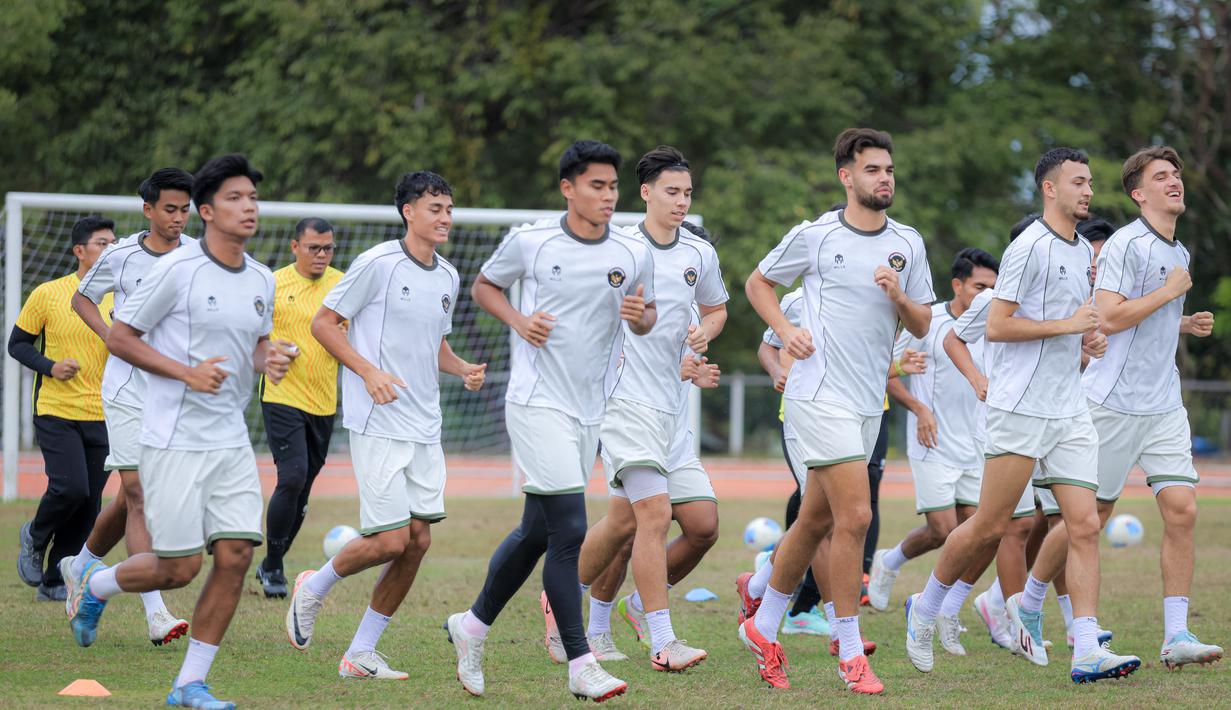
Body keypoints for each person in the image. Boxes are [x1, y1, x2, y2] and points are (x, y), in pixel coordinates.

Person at [903, 148, 1141, 684]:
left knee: (1083, 524)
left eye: (1090, 182)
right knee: (989, 526)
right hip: (1020, 408)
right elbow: (999, 327)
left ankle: (1085, 649)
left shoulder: (1083, 251)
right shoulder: (1028, 247)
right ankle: (926, 605)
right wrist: (1065, 326)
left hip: (1070, 410)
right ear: (1049, 189)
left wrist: (1087, 337)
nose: (1088, 191)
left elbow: (1069, 323)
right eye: (1079, 182)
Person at [65, 154, 293, 710]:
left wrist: (270, 358)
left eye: (254, 199)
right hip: (170, 437)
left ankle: (189, 684)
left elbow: (255, 346)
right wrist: (186, 372)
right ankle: (94, 585)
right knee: (178, 568)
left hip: (231, 440)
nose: (249, 208)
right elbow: (121, 337)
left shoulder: (262, 277)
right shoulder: (176, 270)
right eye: (236, 198)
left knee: (237, 553)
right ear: (208, 211)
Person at [444, 140, 654, 702]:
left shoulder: (633, 253)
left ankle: (472, 626)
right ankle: (581, 661)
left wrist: (640, 317)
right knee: (570, 530)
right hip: (537, 403)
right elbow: (485, 285)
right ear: (568, 188)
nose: (608, 196)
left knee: (537, 530)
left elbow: (646, 315)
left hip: (591, 410)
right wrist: (518, 319)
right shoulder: (532, 240)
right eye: (596, 185)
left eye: (613, 186)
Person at [741, 127, 934, 695]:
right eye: (873, 170)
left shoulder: (909, 242)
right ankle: (850, 653)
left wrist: (900, 296)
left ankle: (764, 622)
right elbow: (757, 283)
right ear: (847, 177)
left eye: (889, 170)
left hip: (867, 403)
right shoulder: (817, 235)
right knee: (856, 518)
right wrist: (785, 332)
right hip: (815, 396)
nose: (884, 179)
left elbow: (922, 325)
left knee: (816, 519)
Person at [284, 172, 485, 681]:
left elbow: (435, 344)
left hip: (425, 424)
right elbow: (324, 324)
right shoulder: (377, 263)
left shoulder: (447, 275)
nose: (444, 217)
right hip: (379, 419)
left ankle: (361, 653)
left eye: (449, 208)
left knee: (418, 542)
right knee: (392, 540)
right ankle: (314, 585)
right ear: (408, 212)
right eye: (434, 207)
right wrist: (368, 372)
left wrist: (460, 367)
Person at [568, 147, 727, 671]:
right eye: (671, 192)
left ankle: (580, 601)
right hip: (622, 403)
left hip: (671, 411)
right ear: (645, 193)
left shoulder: (699, 254)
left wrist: (701, 339)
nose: (681, 202)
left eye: (687, 193)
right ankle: (662, 640)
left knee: (700, 524)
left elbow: (716, 309)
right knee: (652, 517)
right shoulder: (618, 249)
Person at [1080, 146, 1220, 668]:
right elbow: (1109, 318)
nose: (1174, 182)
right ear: (1139, 193)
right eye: (1161, 177)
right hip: (1112, 403)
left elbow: (1148, 318)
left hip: (1163, 403)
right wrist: (1168, 296)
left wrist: (1182, 320)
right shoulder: (1124, 245)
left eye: (1177, 174)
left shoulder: (1178, 253)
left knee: (1182, 511)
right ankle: (1024, 604)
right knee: (1089, 519)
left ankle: (1177, 636)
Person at [65, 168, 194, 644]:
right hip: (126, 391)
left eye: (185, 209)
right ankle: (156, 613)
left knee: (128, 498)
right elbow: (82, 299)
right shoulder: (119, 255)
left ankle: (79, 566)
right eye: (169, 209)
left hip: (175, 394)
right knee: (139, 494)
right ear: (148, 210)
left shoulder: (199, 257)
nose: (179, 218)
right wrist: (111, 338)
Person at [869, 248, 998, 657]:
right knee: (943, 530)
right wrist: (921, 408)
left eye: (993, 288)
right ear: (957, 285)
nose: (987, 295)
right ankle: (890, 561)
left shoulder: (995, 322)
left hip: (977, 443)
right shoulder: (928, 322)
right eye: (980, 287)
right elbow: (884, 372)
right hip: (932, 442)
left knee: (982, 536)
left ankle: (940, 607)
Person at [11, 216, 116, 601]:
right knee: (70, 488)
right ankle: (35, 536)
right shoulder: (49, 293)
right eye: (102, 243)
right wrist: (51, 368)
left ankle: (55, 580)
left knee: (90, 504)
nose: (110, 249)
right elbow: (17, 345)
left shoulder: (123, 296)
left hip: (106, 414)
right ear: (79, 251)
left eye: (113, 243)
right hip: (56, 409)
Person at [254, 217, 344, 598]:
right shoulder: (272, 284)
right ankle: (274, 567)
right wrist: (272, 352)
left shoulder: (343, 285)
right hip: (281, 395)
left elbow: (355, 334)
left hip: (324, 401)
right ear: (295, 247)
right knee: (291, 477)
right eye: (313, 248)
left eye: (327, 248)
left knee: (303, 490)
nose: (321, 255)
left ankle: (271, 561)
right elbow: (251, 336)